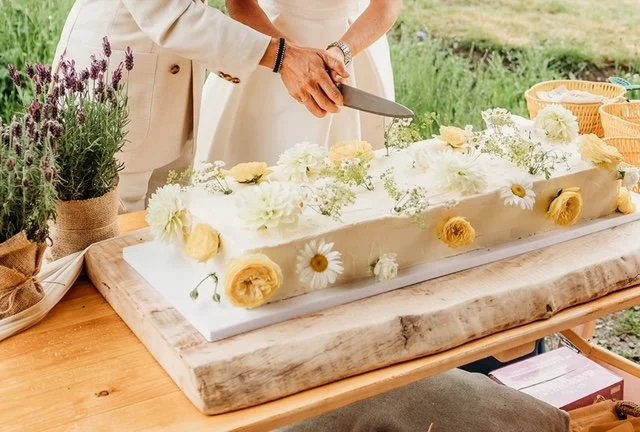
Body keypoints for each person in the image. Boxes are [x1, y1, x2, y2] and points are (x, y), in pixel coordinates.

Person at [53, 0, 349, 212]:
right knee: (105, 236)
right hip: (112, 87)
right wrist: (283, 56)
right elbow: (172, 14)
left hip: (170, 96)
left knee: (160, 232)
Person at [196, 0, 401, 166]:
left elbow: (386, 6)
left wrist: (341, 52)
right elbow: (241, 5)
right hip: (268, 39)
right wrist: (290, 58)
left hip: (356, 40)